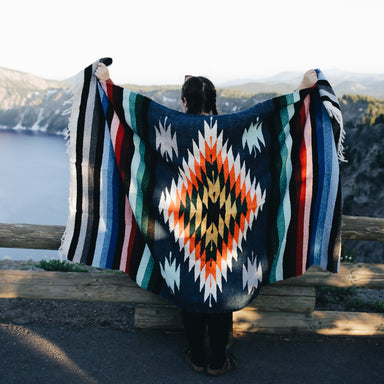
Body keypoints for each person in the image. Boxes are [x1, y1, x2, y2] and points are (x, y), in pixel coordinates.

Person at [95, 64, 318, 376]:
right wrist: (304, 89)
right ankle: (217, 361)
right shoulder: (232, 127)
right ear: (215, 100)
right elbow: (275, 116)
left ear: (185, 102)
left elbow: (135, 113)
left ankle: (198, 356)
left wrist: (107, 83)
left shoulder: (175, 125)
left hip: (185, 233)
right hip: (230, 232)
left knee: (192, 289)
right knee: (221, 291)